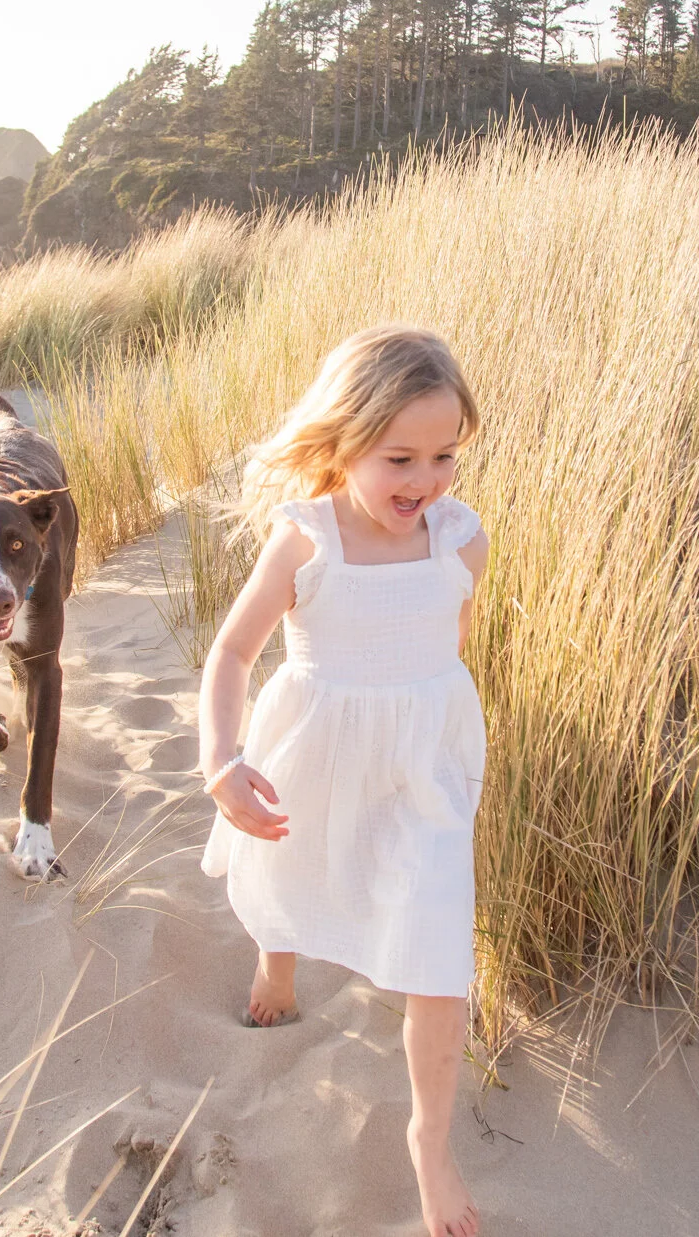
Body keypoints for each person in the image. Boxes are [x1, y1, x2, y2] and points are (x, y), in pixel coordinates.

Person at [198, 325, 489, 1237]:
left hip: (422, 768)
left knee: (438, 944)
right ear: (345, 439)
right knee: (293, 868)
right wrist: (221, 759)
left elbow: (451, 640)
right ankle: (278, 961)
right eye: (399, 457)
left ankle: (429, 1138)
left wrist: (426, 721)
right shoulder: (305, 541)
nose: (425, 479)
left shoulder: (461, 539)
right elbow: (232, 653)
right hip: (317, 747)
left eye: (444, 454)